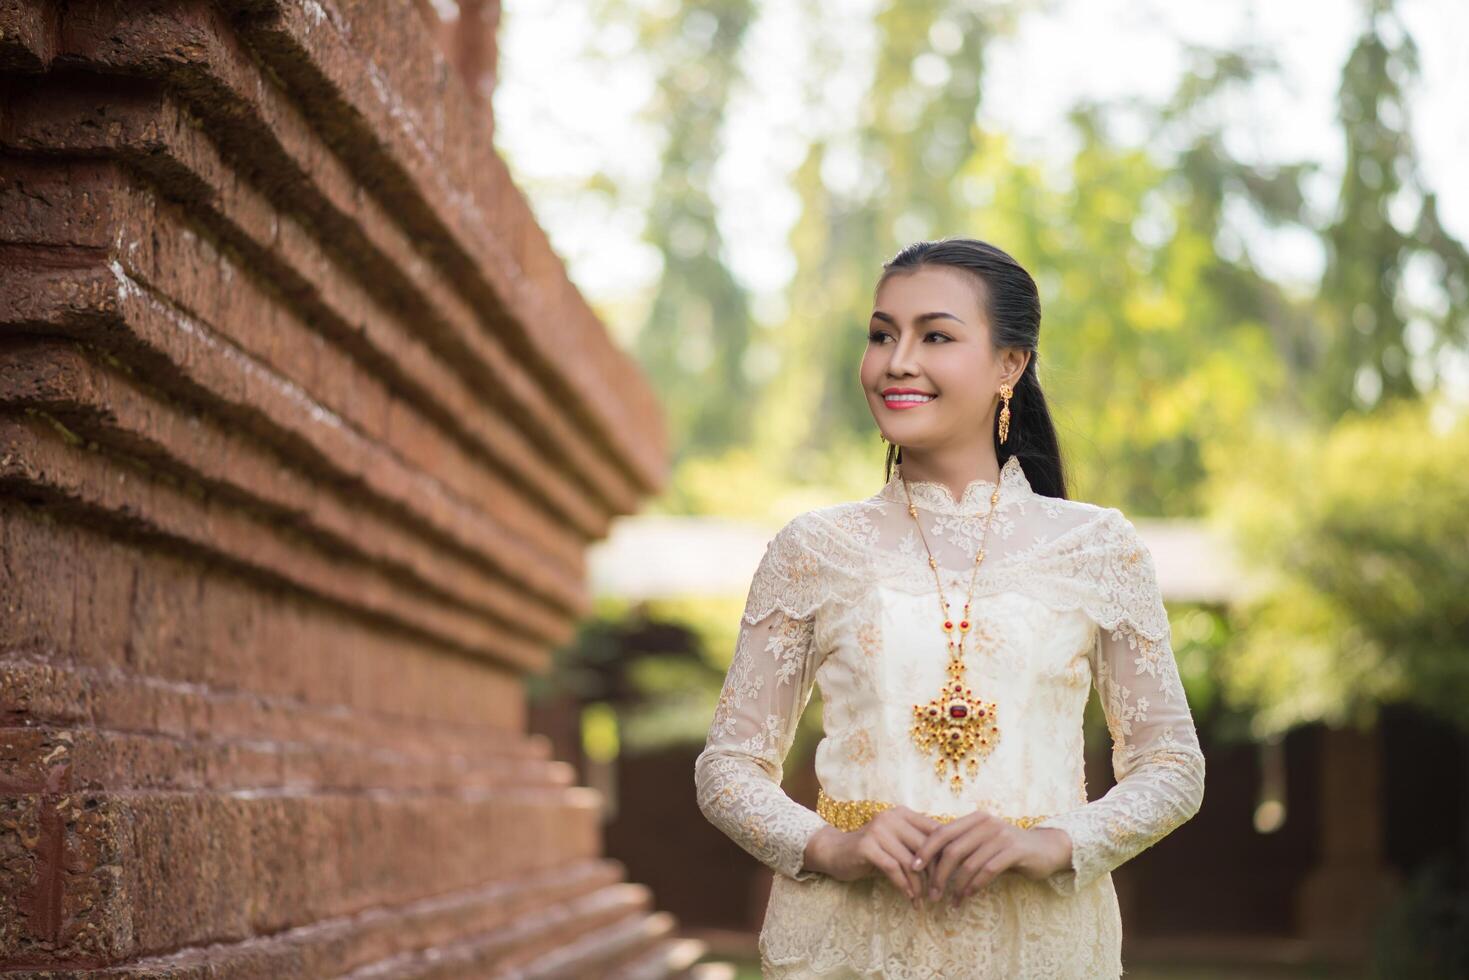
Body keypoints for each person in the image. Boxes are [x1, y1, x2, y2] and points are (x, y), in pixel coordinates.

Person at [693, 238, 1207, 978]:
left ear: (1010, 364)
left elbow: (1170, 767)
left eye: (934, 335)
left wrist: (1052, 842)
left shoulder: (1095, 546)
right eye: (880, 335)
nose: (896, 360)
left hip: (1038, 946)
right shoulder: (813, 548)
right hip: (849, 946)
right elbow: (729, 769)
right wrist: (830, 846)